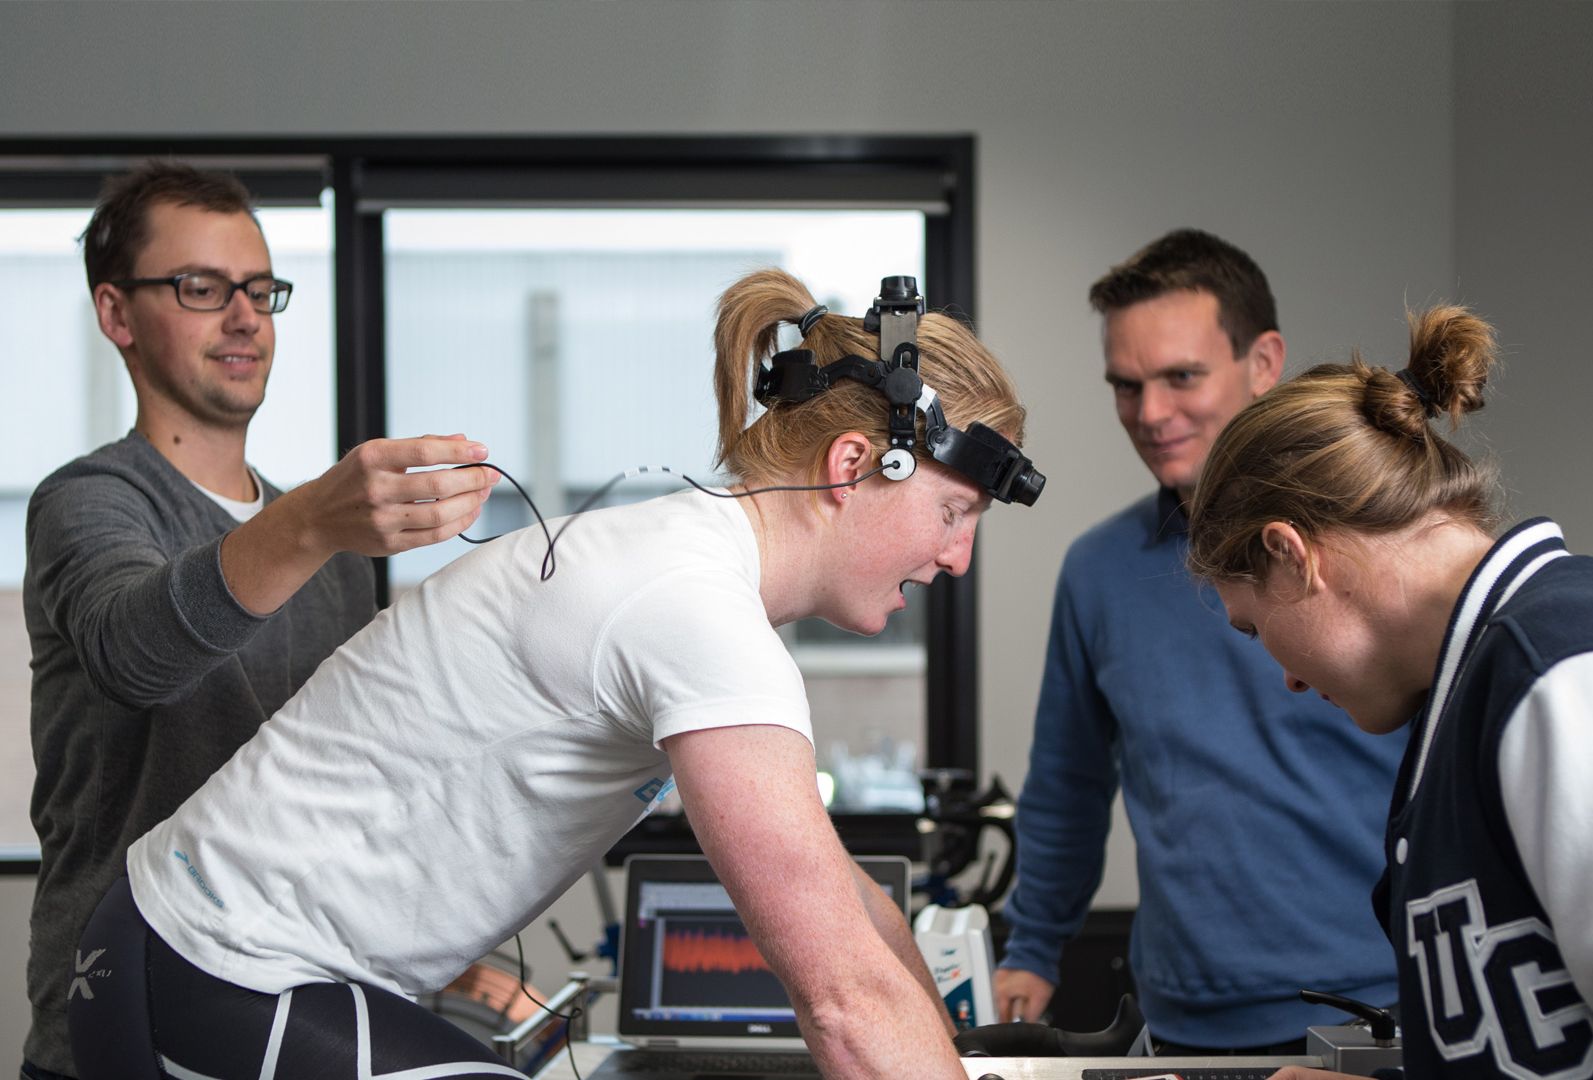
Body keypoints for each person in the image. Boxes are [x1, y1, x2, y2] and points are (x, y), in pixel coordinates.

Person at [63, 268, 1034, 1079]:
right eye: (954, 515)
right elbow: (845, 1000)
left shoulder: (680, 567)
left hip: (185, 963)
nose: (958, 558)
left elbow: (852, 912)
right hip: (219, 974)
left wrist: (952, 1057)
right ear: (854, 464)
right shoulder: (695, 613)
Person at [1187, 306, 1593, 1078]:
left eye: (1254, 628)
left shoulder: (1580, 677)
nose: (1285, 676)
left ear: (1290, 554)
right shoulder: (1477, 695)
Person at [22, 161, 498, 1080]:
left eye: (259, 289)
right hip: (119, 1023)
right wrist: (312, 521)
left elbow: (354, 779)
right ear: (117, 314)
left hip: (291, 1017)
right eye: (201, 288)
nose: (244, 317)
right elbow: (133, 654)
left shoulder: (335, 549)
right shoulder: (90, 501)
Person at [996, 230, 1405, 1052]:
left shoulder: (1375, 549)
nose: (1150, 414)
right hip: (1178, 1025)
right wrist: (1032, 948)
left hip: (1373, 1016)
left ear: (1263, 363)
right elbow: (1069, 785)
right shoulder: (1099, 571)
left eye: (1181, 376)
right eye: (1127, 385)